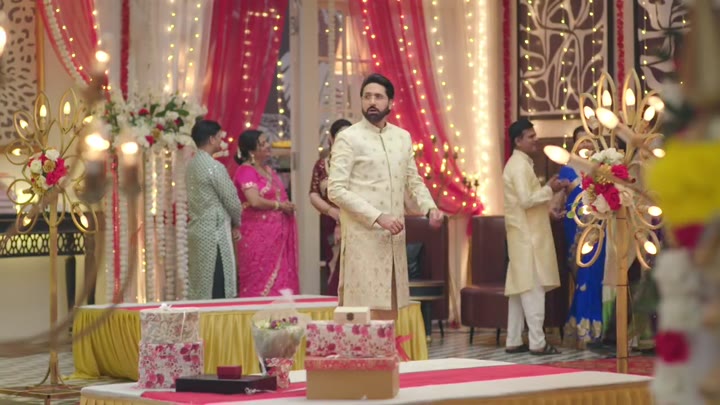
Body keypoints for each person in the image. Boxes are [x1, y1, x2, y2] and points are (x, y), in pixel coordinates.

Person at [328, 73, 444, 320]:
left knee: (389, 315)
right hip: (363, 241)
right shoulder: (348, 138)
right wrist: (378, 217)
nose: (372, 101)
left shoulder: (401, 137)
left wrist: (430, 208)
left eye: (378, 97)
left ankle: (388, 347)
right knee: (363, 316)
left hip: (393, 242)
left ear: (390, 102)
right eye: (367, 96)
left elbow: (412, 179)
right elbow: (335, 189)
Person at [503, 118, 566, 355]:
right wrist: (550, 189)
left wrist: (547, 196)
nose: (535, 140)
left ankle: (513, 339)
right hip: (528, 239)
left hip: (522, 236)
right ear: (518, 141)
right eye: (530, 136)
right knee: (532, 290)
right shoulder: (519, 166)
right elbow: (526, 200)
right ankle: (538, 343)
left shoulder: (519, 164)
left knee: (519, 291)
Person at [233, 129, 299, 297]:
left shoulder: (268, 170)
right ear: (251, 151)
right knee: (257, 283)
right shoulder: (245, 171)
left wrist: (286, 206)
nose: (268, 145)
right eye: (262, 144)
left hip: (277, 236)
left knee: (281, 281)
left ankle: (282, 313)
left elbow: (279, 196)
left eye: (266, 142)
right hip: (256, 237)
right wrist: (279, 206)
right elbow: (254, 200)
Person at [557, 125, 606, 348]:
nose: (585, 144)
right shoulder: (568, 169)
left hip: (599, 227)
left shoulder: (602, 168)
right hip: (576, 228)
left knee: (593, 275)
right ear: (574, 145)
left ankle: (588, 329)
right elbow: (560, 198)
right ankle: (584, 329)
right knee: (582, 273)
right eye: (580, 140)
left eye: (588, 140)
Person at [186, 120, 242, 300]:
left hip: (197, 231)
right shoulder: (214, 166)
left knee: (200, 283)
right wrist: (236, 222)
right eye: (219, 137)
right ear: (211, 139)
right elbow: (231, 200)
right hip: (214, 234)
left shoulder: (191, 165)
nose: (221, 141)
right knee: (217, 284)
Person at [309, 118, 352, 296]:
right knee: (332, 264)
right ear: (331, 139)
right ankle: (333, 304)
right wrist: (331, 211)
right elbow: (313, 193)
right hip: (329, 221)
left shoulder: (358, 164)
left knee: (351, 266)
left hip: (354, 221)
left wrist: (343, 219)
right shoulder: (322, 164)